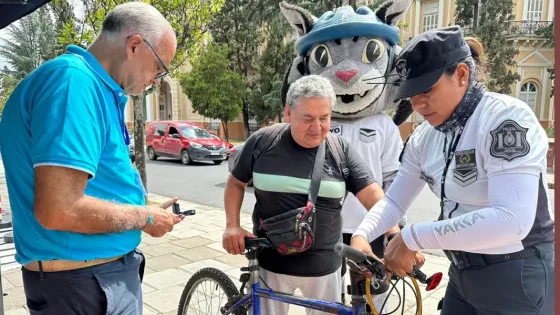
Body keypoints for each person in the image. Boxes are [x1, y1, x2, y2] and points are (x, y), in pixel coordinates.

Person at [351, 25, 555, 315]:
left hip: (517, 273)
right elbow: (394, 200)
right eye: (410, 94)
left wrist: (413, 238)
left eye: (427, 90)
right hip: (462, 274)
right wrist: (362, 235)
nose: (417, 104)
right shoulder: (425, 136)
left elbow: (512, 220)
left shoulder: (505, 120)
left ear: (461, 74)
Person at [0, 3, 183, 314]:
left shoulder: (89, 85)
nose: (156, 80)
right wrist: (146, 217)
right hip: (84, 285)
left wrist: (143, 208)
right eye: (158, 67)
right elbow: (59, 209)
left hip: (88, 281)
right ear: (134, 45)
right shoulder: (73, 83)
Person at [223, 75, 399, 315]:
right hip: (271, 266)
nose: (317, 127)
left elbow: (373, 196)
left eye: (324, 118)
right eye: (307, 118)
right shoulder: (263, 142)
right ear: (288, 113)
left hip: (324, 268)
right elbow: (235, 183)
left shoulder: (340, 150)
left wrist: (396, 235)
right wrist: (232, 225)